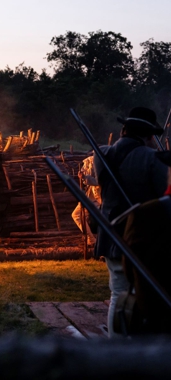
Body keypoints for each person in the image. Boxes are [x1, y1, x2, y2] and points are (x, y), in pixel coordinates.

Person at [94, 107, 168, 338]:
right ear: (147, 136)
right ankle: (128, 348)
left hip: (110, 233)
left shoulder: (102, 153)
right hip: (142, 236)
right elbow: (162, 198)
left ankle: (121, 342)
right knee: (142, 293)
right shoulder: (151, 158)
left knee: (118, 291)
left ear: (124, 130)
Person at [71, 156, 101, 246]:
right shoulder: (93, 166)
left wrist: (85, 177)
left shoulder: (103, 168)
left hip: (99, 201)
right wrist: (83, 177)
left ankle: (93, 239)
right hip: (90, 200)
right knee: (77, 215)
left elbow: (97, 181)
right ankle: (91, 239)